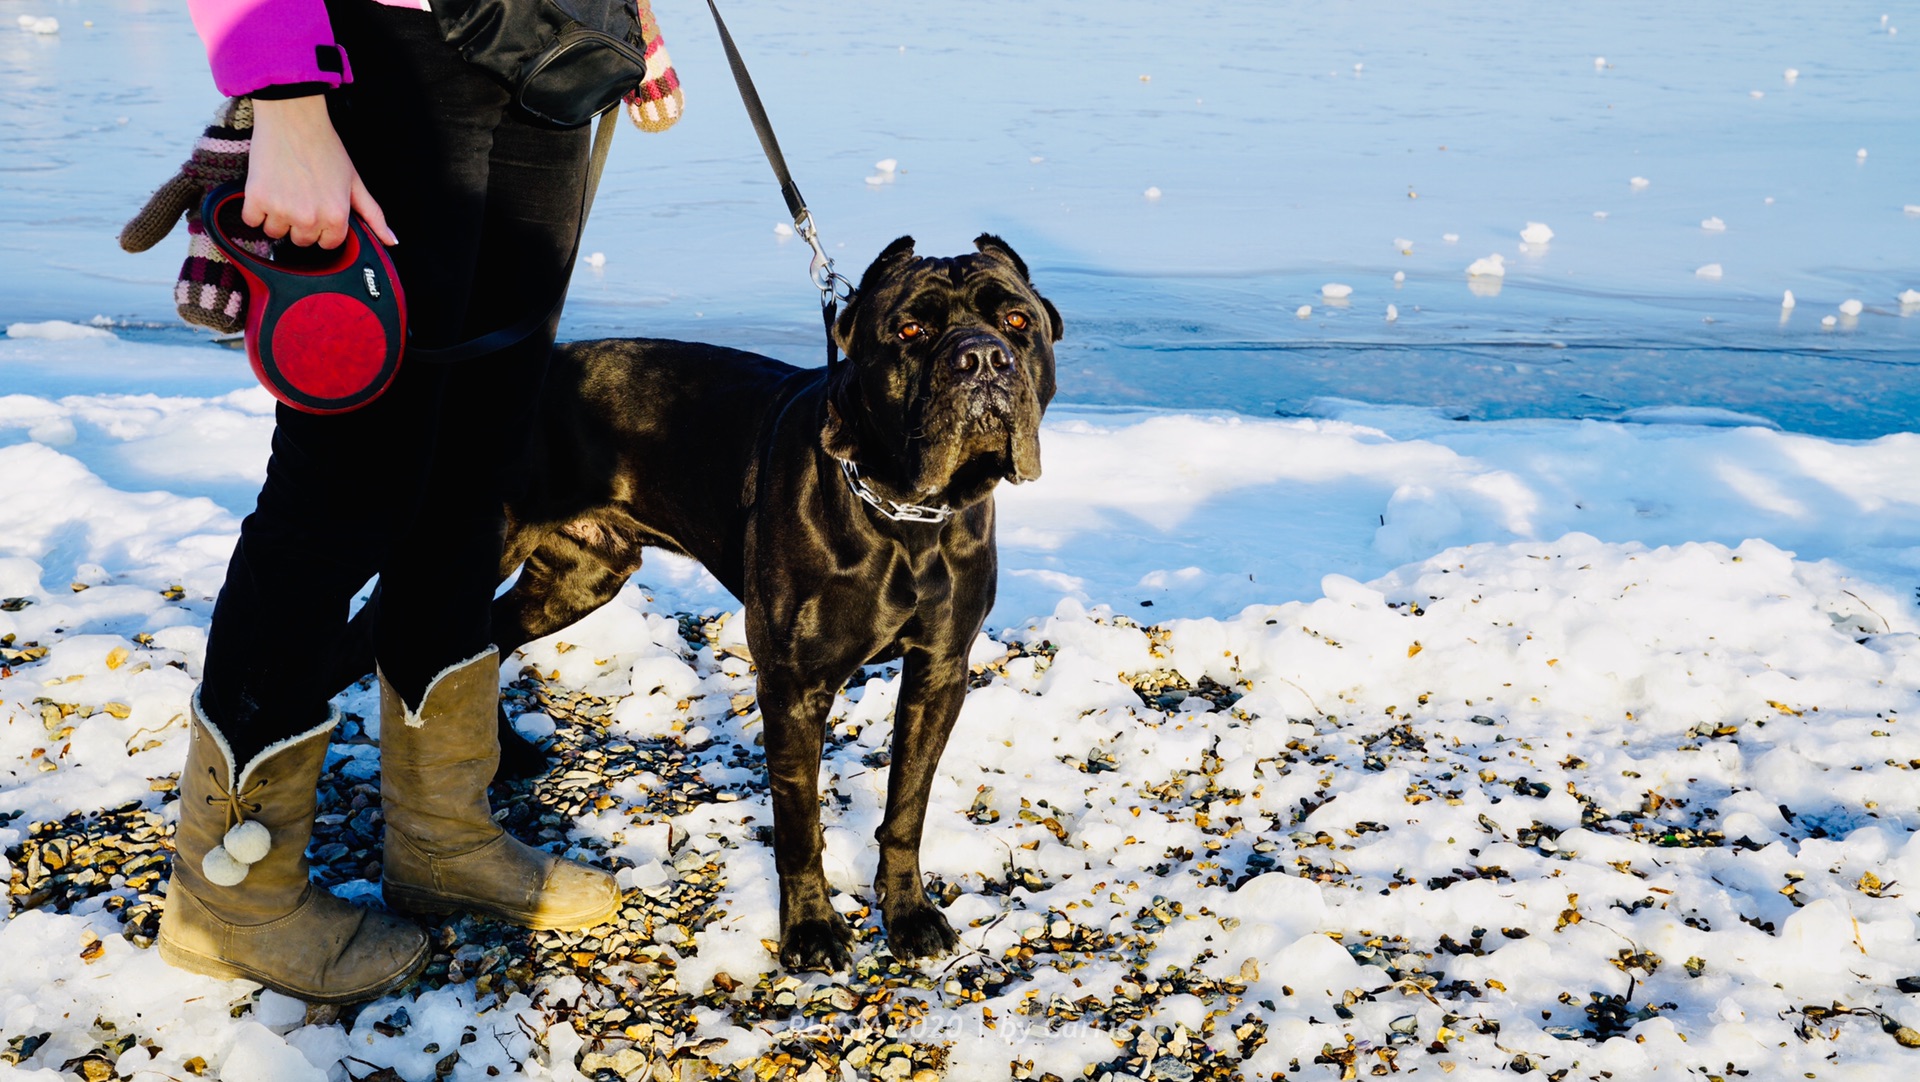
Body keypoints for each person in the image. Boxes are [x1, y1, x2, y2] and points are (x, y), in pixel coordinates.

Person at [152, 0, 660, 1003]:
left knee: (478, 463)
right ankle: (231, 894)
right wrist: (285, 96)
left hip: (552, 44)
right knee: (342, 491)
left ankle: (443, 833)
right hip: (379, 49)